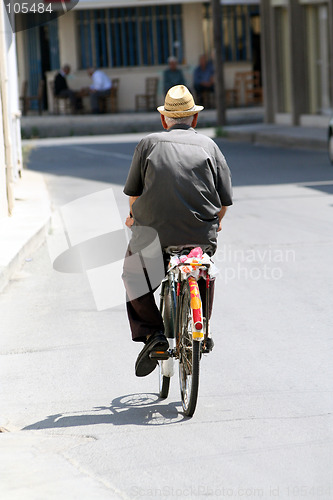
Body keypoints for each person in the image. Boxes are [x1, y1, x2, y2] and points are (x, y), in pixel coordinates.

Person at [122, 85, 233, 377]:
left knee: (134, 274)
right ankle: (201, 326)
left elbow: (133, 195)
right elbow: (224, 202)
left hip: (153, 235)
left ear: (164, 120)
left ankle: (152, 335)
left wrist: (134, 216)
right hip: (199, 235)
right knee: (202, 269)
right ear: (194, 120)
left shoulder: (148, 143)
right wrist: (215, 223)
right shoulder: (210, 146)